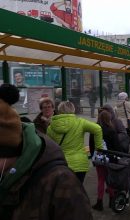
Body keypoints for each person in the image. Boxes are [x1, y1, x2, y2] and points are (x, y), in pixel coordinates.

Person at [0, 84, 93, 220]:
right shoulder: (40, 124)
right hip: (65, 160)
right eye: (45, 107)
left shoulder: (58, 182)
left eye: (49, 106)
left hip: (59, 162)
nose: (47, 109)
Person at [47, 101, 103, 183]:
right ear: (73, 110)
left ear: (59, 111)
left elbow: (50, 147)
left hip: (61, 163)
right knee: (77, 190)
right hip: (79, 164)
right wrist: (99, 148)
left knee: (63, 191)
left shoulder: (50, 127)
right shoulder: (80, 122)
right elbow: (98, 129)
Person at [90, 110, 120, 211]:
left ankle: (99, 202)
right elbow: (117, 146)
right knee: (109, 179)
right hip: (110, 158)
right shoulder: (111, 130)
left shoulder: (95, 130)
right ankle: (112, 200)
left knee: (101, 179)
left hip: (99, 158)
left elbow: (91, 146)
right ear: (109, 118)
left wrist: (93, 158)